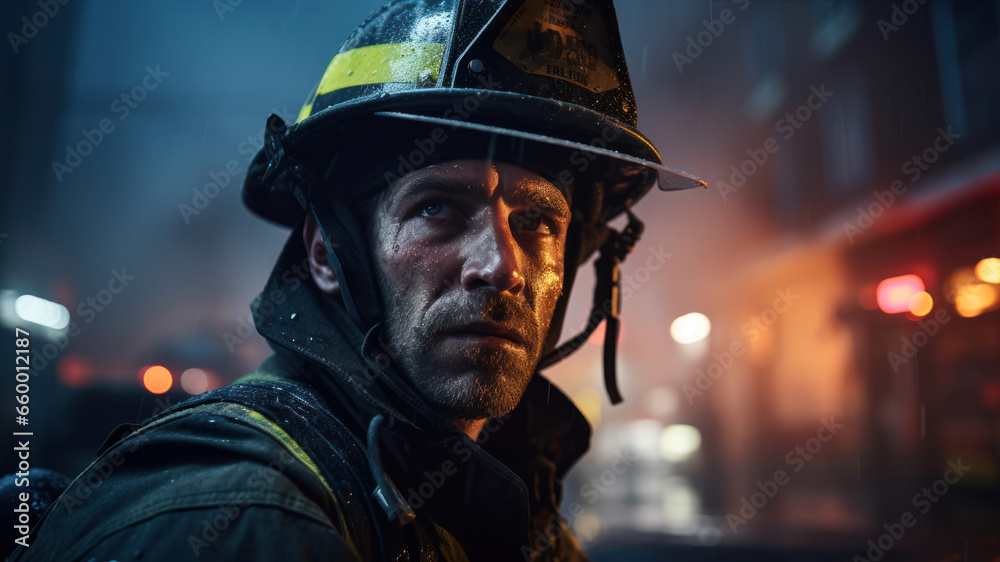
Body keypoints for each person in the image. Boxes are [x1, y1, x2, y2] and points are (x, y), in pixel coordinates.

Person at [11, 0, 702, 560]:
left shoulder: (497, 500)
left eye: (538, 223)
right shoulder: (244, 516)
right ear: (325, 253)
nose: (499, 266)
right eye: (438, 209)